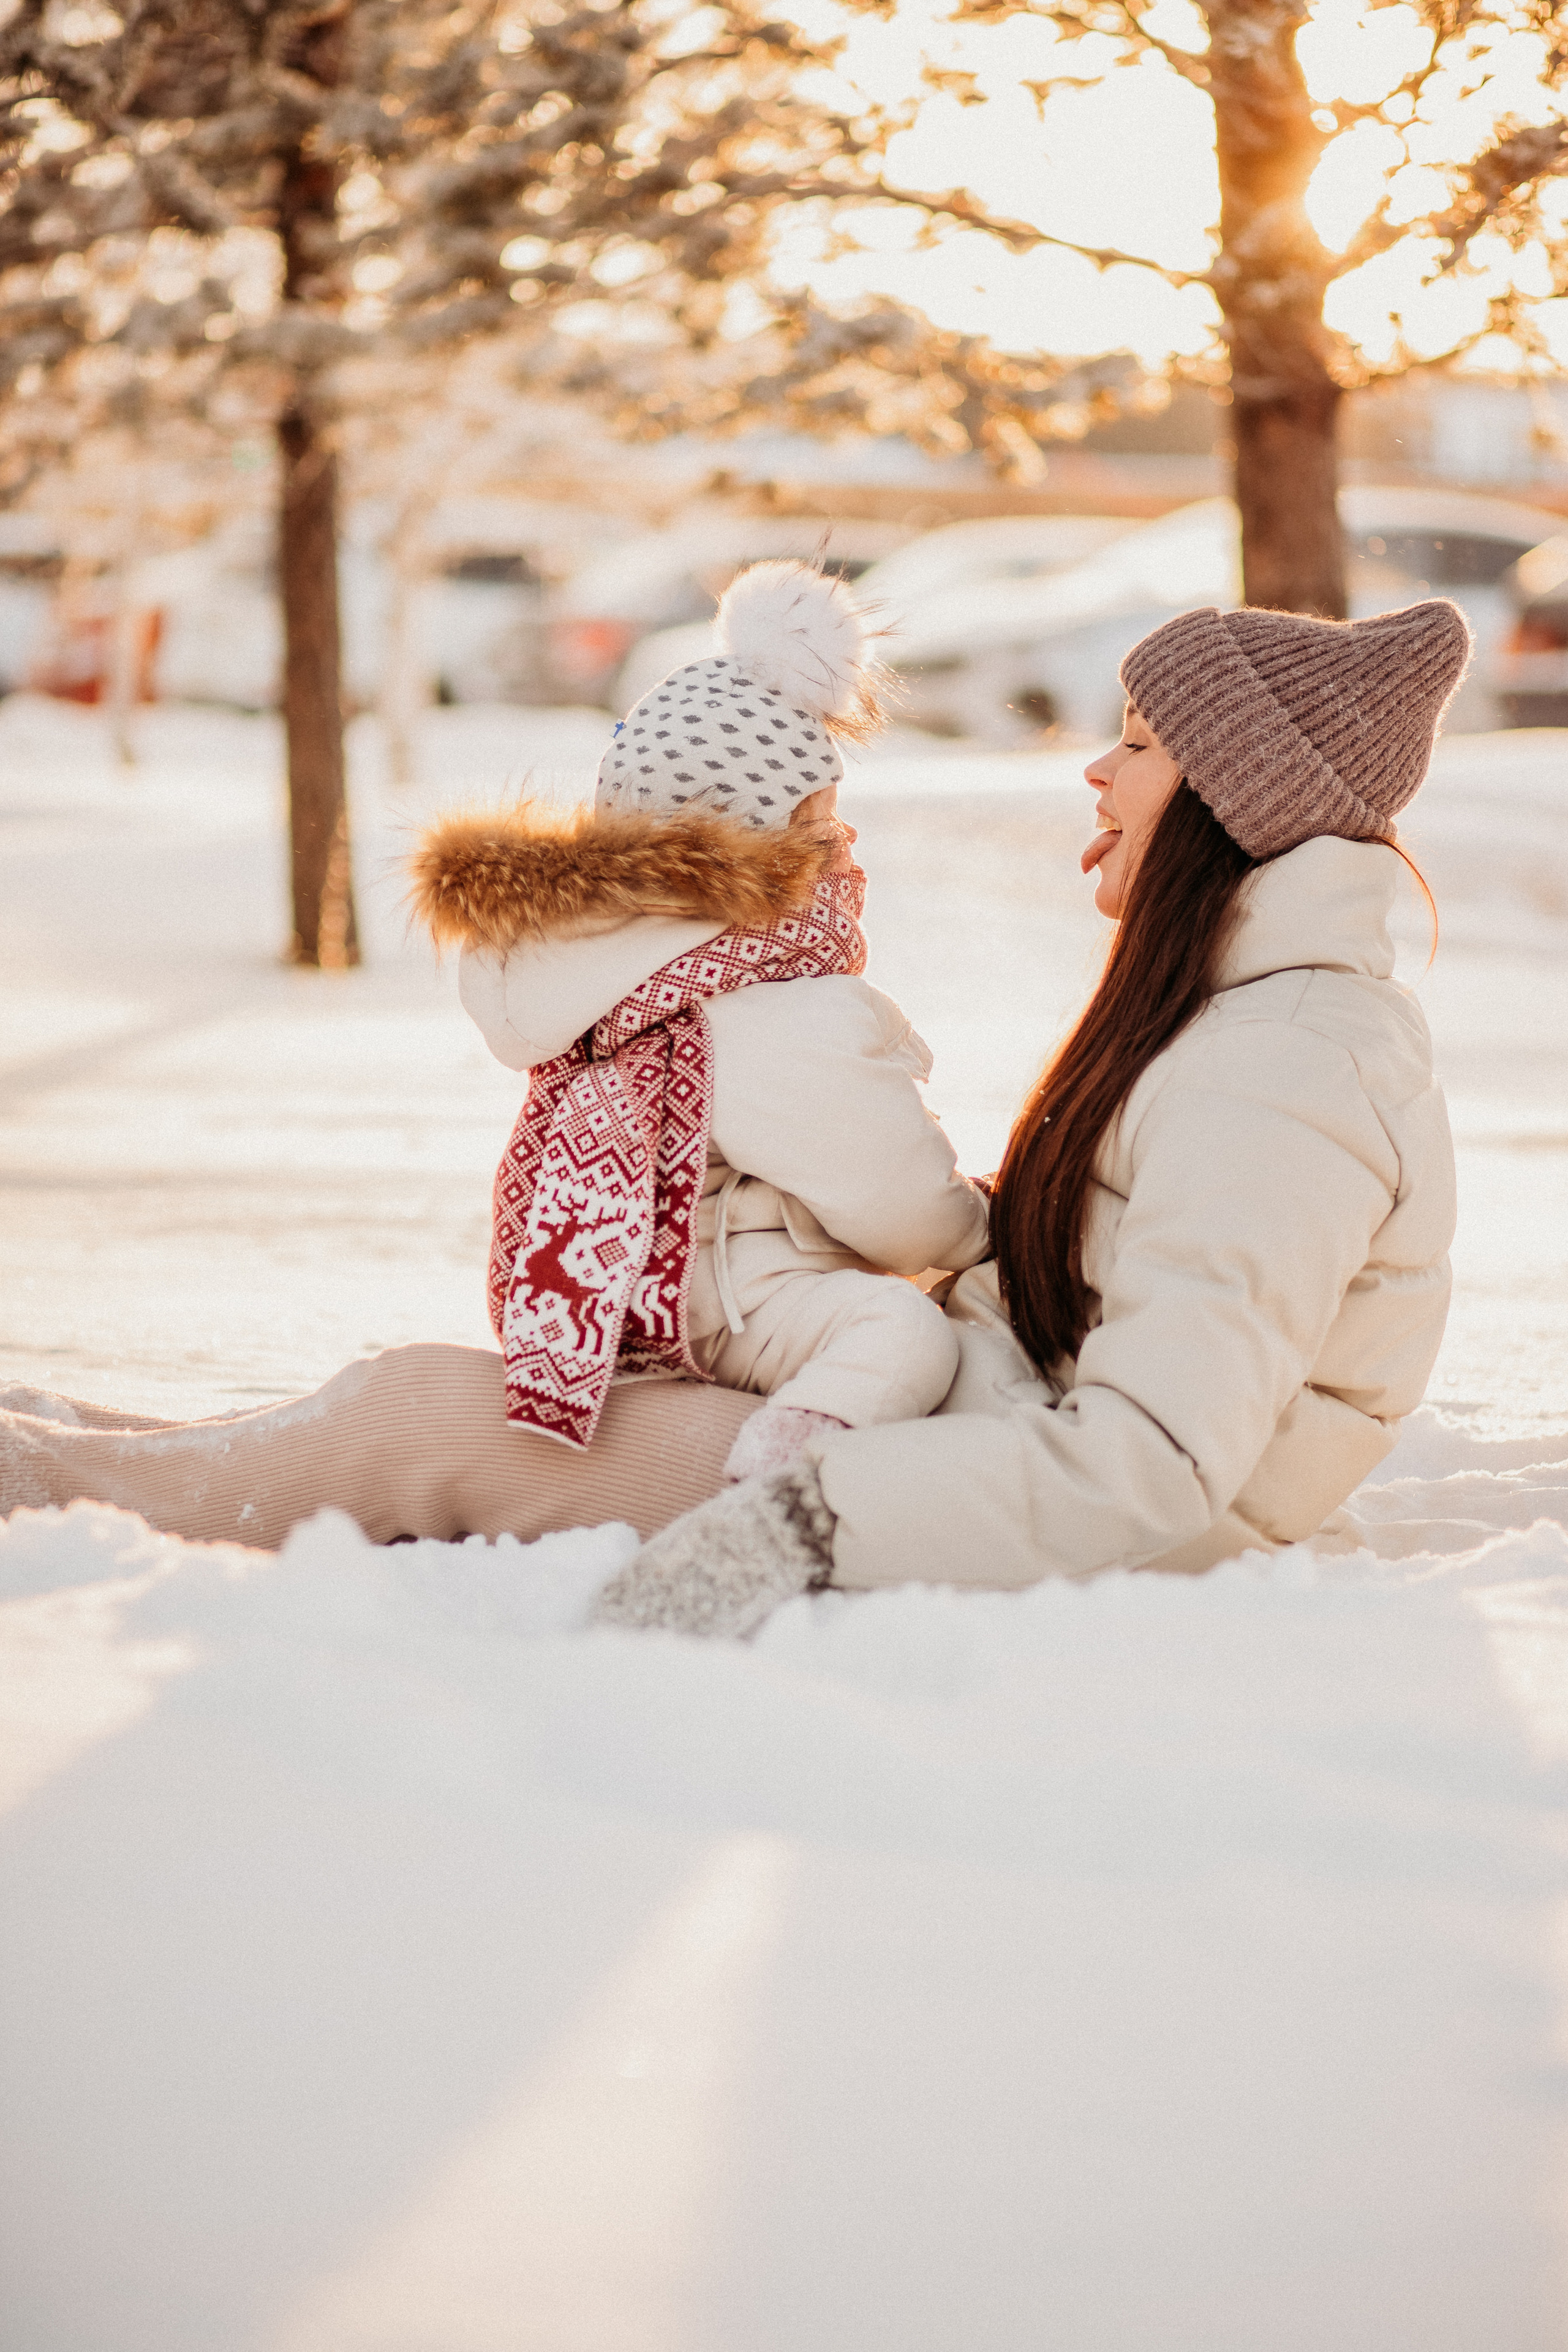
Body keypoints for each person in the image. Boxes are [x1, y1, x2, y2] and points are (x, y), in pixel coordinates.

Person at [1, 596, 1469, 1643]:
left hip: (935, 1469)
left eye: (1141, 745)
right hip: (943, 1414)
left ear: (1231, 801)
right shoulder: (1248, 1027)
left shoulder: (1291, 1067)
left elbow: (1151, 1466)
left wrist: (809, 1520)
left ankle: (44, 1484)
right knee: (408, 1397)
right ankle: (75, 1446)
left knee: (412, 1423)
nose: (1097, 767)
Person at [410, 559, 988, 1485]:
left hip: (611, 1291)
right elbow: (899, 1205)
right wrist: (980, 1233)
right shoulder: (770, 1003)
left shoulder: (610, 973)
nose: (847, 845)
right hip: (736, 1291)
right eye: (824, 819)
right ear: (761, 847)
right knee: (902, 1331)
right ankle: (773, 1483)